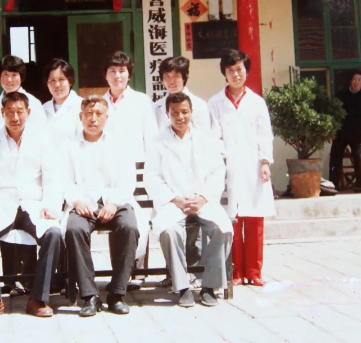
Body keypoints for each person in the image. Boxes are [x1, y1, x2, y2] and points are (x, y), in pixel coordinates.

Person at [0, 92, 63, 320]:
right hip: (2, 204)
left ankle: (38, 298)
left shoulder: (41, 139)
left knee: (54, 233)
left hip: (34, 203)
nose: (15, 117)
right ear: (2, 114)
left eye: (20, 112)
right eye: (9, 112)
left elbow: (52, 177)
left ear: (28, 113)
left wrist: (51, 204)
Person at [145, 92, 233, 307]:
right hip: (173, 203)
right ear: (168, 114)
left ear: (192, 112)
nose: (180, 116)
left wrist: (203, 198)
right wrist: (176, 199)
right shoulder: (158, 142)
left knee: (221, 229)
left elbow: (216, 172)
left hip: (204, 201)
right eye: (175, 112)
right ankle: (182, 285)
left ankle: (210, 286)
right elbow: (152, 177)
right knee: (170, 231)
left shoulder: (205, 140)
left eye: (185, 112)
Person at [63, 95, 140, 317]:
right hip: (83, 203)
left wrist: (114, 204)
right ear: (80, 117)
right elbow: (64, 180)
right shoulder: (69, 146)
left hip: (115, 201)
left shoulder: (119, 144)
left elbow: (128, 180)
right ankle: (90, 295)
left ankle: (117, 293)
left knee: (129, 227)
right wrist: (76, 201)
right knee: (74, 229)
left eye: (98, 114)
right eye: (88, 114)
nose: (93, 119)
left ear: (107, 118)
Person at [209, 50, 275, 287]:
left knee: (255, 219)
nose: (235, 74)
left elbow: (265, 135)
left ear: (246, 70)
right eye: (230, 70)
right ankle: (235, 272)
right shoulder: (215, 103)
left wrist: (265, 162)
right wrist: (222, 159)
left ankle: (254, 272)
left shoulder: (257, 102)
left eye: (239, 69)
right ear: (224, 74)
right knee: (232, 219)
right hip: (228, 167)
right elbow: (214, 135)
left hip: (254, 166)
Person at [101, 51, 156, 286]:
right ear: (106, 75)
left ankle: (139, 271)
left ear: (129, 74)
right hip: (110, 173)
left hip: (139, 170)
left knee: (140, 221)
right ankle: (119, 273)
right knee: (117, 219)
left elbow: (151, 140)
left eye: (122, 71)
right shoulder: (100, 103)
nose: (117, 76)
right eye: (112, 71)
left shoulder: (141, 101)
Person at [329, 71, 361, 192]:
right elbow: (334, 113)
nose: (356, 82)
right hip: (341, 132)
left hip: (358, 133)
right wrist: (332, 130)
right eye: (354, 79)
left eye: (359, 80)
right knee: (335, 158)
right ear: (350, 81)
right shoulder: (341, 95)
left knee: (359, 158)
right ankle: (333, 185)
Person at [0, 55, 47, 136]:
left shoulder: (33, 103)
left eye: (14, 75)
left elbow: (42, 133)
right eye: (5, 74)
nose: (9, 79)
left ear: (21, 77)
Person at [153, 56, 211, 131]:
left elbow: (204, 134)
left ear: (184, 78)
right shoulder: (156, 107)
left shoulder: (199, 105)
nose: (171, 81)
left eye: (176, 76)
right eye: (167, 76)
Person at [42, 58, 83, 150]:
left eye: (61, 79)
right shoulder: (43, 109)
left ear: (70, 82)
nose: (57, 85)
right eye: (52, 80)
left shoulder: (81, 106)